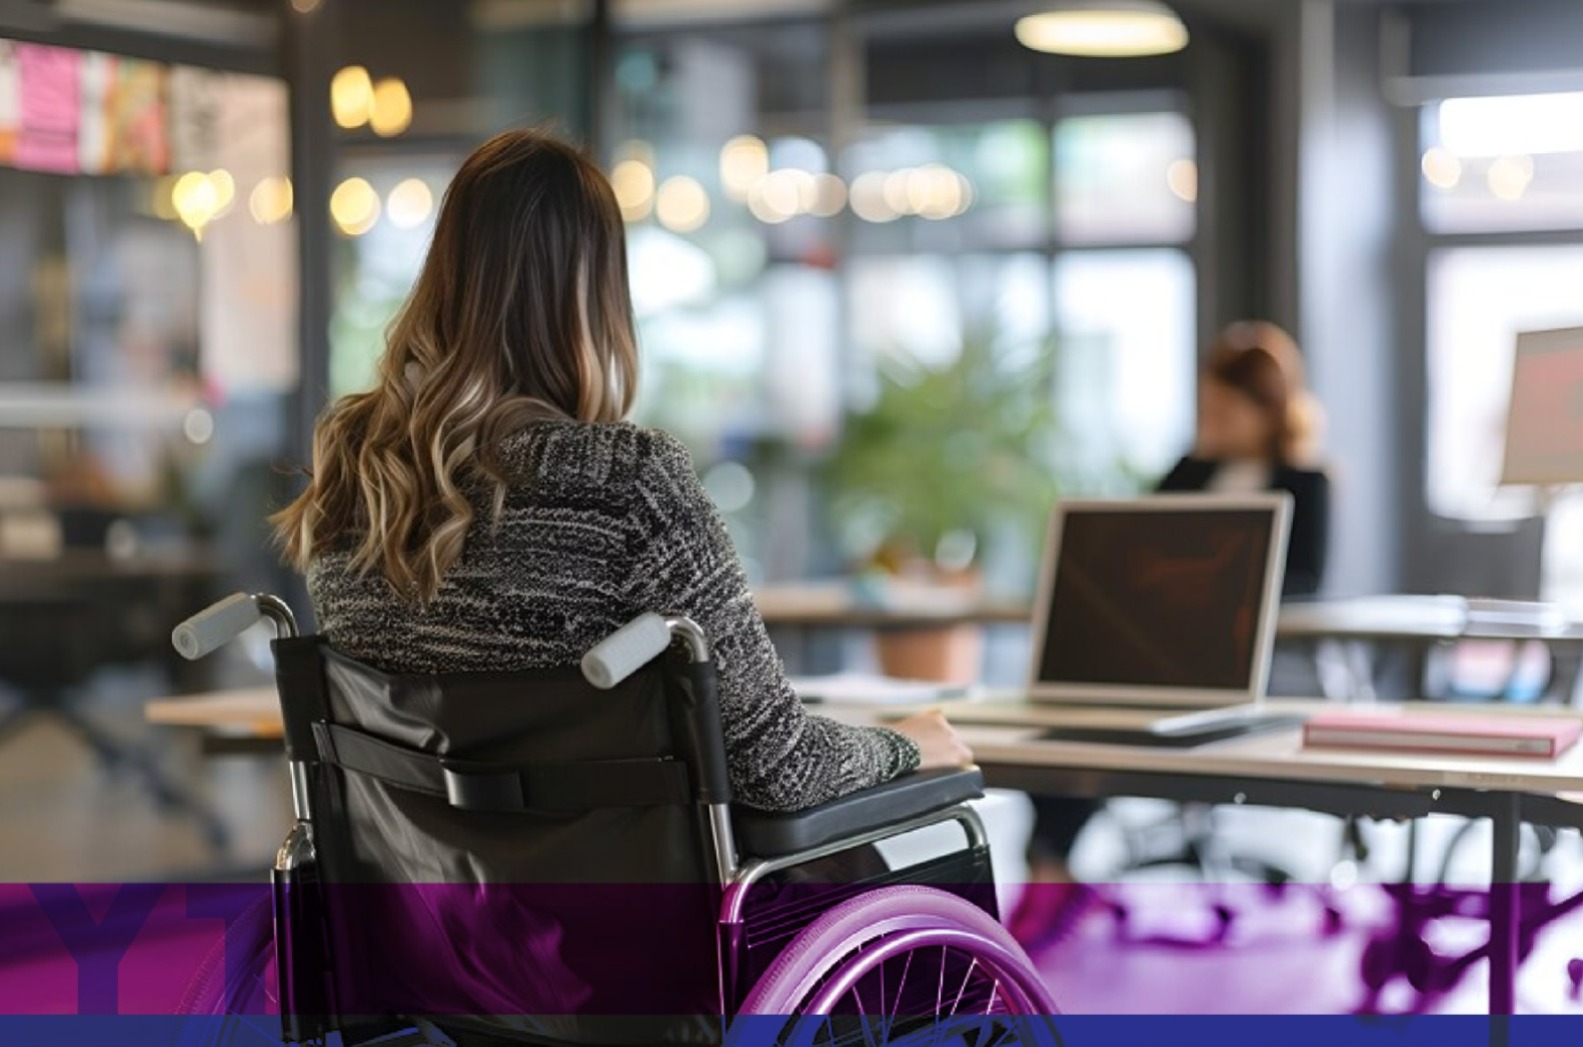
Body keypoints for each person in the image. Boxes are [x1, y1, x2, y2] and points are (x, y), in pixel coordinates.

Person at [270, 129, 972, 817]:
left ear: (443, 279)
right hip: (612, 917)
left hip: (416, 916)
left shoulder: (354, 472)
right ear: (592, 295)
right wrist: (906, 744)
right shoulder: (624, 482)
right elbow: (778, 764)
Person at [1007, 320, 1331, 949]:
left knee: (1102, 714)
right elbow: (1138, 545)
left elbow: (1307, 578)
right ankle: (1049, 863)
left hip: (1254, 662)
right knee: (1069, 716)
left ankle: (1050, 873)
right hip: (1162, 654)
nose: (1213, 417)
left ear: (1267, 408)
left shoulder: (1306, 481)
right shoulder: (1190, 468)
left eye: (1226, 406)